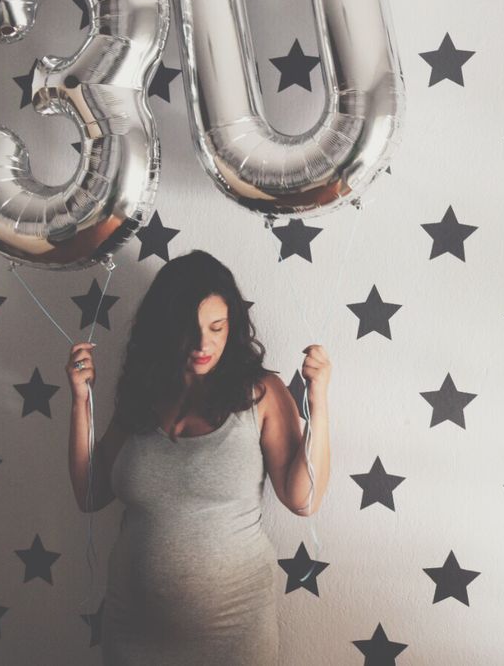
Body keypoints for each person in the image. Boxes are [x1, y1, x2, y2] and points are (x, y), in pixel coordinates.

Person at [66, 249, 332, 665]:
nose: (203, 343)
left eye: (217, 327)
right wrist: (80, 401)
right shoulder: (141, 395)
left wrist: (318, 398)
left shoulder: (259, 394)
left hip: (233, 640)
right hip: (132, 635)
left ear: (232, 326)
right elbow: (89, 494)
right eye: (189, 328)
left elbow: (304, 499)